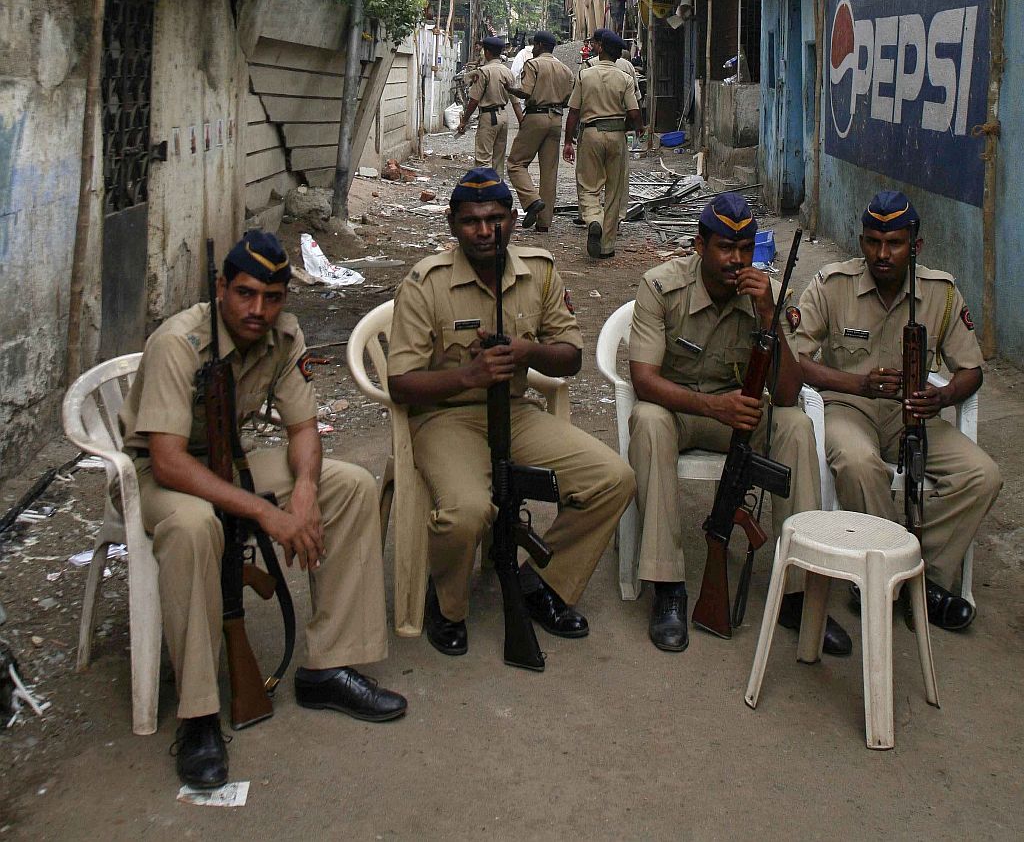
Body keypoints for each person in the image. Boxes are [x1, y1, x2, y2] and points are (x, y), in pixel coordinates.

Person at [119, 230, 406, 791]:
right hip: (163, 476)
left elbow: (302, 428)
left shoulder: (282, 334)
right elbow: (170, 463)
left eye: (272, 298)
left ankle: (329, 665)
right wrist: (269, 515)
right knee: (193, 525)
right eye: (246, 294)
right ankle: (198, 716)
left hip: (234, 465)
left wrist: (302, 491)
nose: (258, 310)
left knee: (346, 486)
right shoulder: (178, 343)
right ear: (222, 288)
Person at [386, 168, 635, 657]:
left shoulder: (538, 273)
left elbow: (571, 356)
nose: (485, 232)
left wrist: (524, 351)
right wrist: (468, 376)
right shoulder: (425, 283)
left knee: (614, 478)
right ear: (452, 223)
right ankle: (448, 603)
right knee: (467, 512)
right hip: (444, 417)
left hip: (516, 412)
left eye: (496, 219)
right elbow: (399, 383)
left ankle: (542, 582)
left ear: (513, 220)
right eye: (472, 221)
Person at [627, 194, 852, 656]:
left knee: (795, 426)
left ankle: (797, 595)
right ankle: (668, 586)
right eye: (725, 248)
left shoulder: (765, 298)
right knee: (647, 422)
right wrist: (713, 408)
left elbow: (788, 393)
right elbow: (644, 381)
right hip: (684, 412)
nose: (736, 260)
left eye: (745, 248)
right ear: (698, 246)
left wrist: (769, 316)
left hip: (744, 415)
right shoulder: (659, 287)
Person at [789, 190, 1002, 631]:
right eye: (872, 242)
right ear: (862, 240)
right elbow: (796, 359)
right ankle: (894, 579)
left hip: (913, 415)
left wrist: (941, 397)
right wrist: (856, 383)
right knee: (859, 463)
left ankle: (914, 577)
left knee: (982, 476)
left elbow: (971, 370)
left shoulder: (940, 294)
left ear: (915, 246)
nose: (881, 254)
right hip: (849, 408)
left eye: (894, 244)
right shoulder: (833, 285)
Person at [562, 28, 642, 259]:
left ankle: (593, 219)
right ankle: (607, 246)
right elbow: (635, 113)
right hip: (617, 136)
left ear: (600, 49)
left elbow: (574, 112)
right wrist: (635, 129)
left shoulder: (585, 74)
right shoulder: (625, 77)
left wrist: (568, 141)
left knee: (588, 184)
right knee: (614, 190)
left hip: (590, 134)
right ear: (617, 54)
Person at [507, 30, 574, 233]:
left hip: (536, 116)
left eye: (534, 45)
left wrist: (510, 89)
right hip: (556, 118)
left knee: (516, 163)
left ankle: (532, 201)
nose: (533, 49)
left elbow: (526, 91)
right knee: (549, 171)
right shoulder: (565, 70)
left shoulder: (533, 64)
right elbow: (568, 99)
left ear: (540, 45)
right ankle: (544, 223)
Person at [457, 34, 521, 177]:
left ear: (487, 52)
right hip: (504, 117)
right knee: (498, 160)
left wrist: (464, 121)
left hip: (488, 116)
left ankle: (483, 193)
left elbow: (474, 100)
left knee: (483, 159)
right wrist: (522, 124)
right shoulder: (508, 72)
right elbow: (516, 103)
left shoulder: (484, 72)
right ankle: (497, 192)